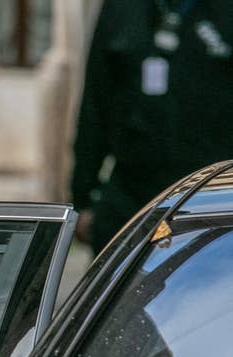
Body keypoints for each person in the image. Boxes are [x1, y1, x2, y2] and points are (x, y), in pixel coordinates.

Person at [71, 0, 233, 254]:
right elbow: (94, 105)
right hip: (130, 200)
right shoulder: (122, 9)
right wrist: (82, 198)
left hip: (213, 204)